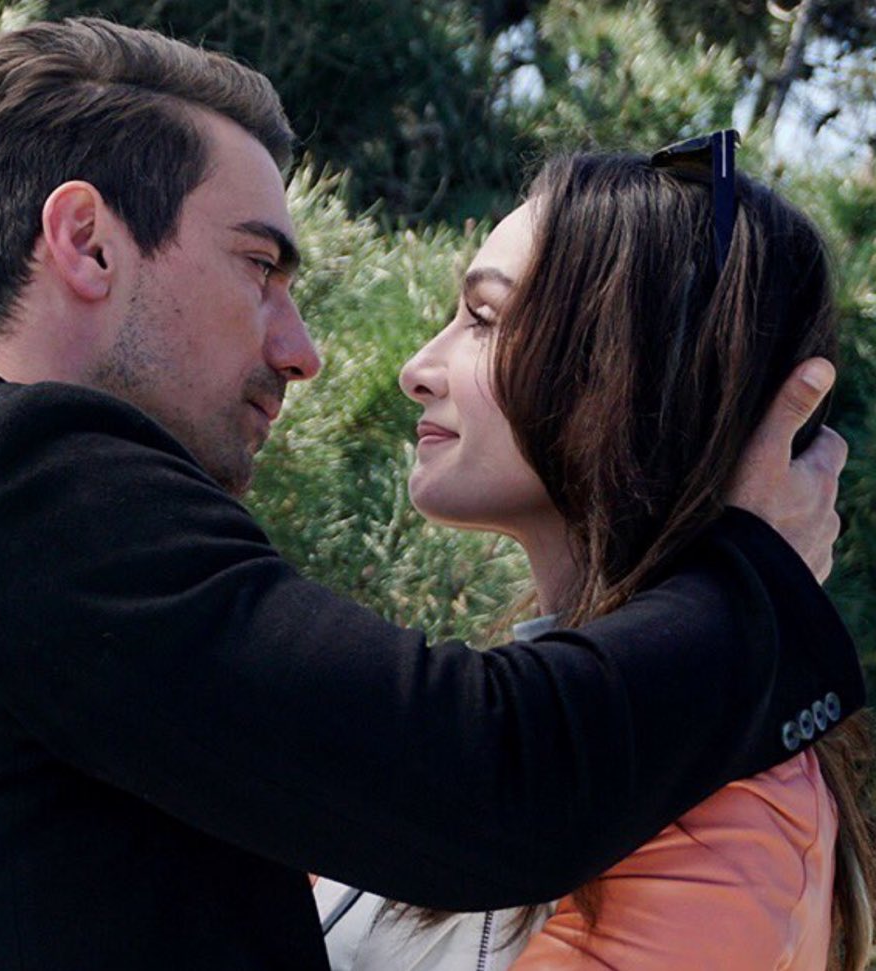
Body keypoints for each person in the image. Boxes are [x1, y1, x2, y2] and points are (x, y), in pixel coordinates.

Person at [0, 19, 861, 971]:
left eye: (482, 318)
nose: (306, 352)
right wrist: (757, 570)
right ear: (87, 242)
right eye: (259, 265)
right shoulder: (27, 479)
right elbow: (484, 780)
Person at [315, 139, 874, 970]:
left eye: (483, 319)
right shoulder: (519, 726)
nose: (417, 369)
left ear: (630, 371)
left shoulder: (728, 818)